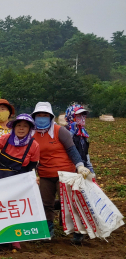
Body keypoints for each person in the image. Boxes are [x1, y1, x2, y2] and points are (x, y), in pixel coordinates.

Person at [31, 102, 90, 241]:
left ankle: (79, 231)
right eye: (39, 115)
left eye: (45, 115)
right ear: (34, 117)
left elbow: (72, 149)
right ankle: (48, 229)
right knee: (46, 203)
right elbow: (31, 155)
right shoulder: (32, 134)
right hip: (45, 174)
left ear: (50, 117)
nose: (42, 118)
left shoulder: (59, 131)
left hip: (65, 173)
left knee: (69, 203)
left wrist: (80, 165)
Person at [0, 114, 40, 181]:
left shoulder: (34, 145)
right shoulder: (5, 138)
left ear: (29, 129)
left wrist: (33, 179)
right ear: (14, 127)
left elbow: (32, 166)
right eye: (18, 125)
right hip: (0, 177)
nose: (21, 128)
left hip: (20, 179)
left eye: (25, 126)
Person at [65, 104, 94, 175]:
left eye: (83, 115)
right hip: (70, 169)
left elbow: (85, 152)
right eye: (78, 116)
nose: (82, 118)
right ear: (71, 116)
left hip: (83, 169)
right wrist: (71, 133)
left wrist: (90, 168)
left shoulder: (83, 133)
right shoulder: (64, 131)